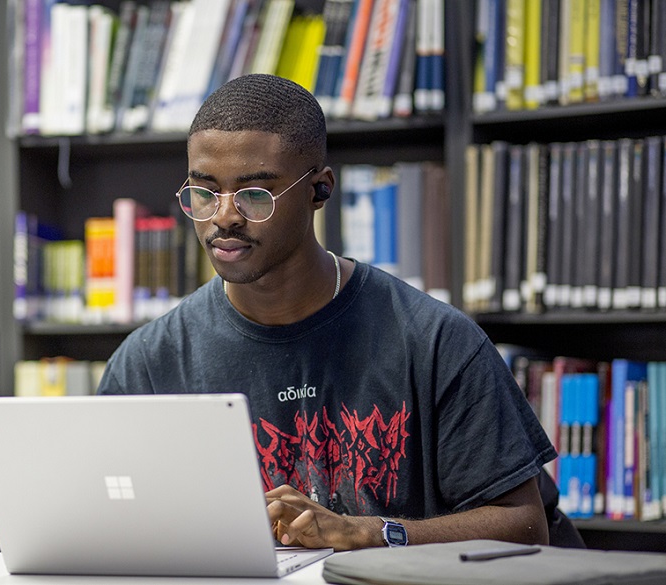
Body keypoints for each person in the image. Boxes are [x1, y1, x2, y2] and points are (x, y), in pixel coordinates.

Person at [96, 74, 556, 551]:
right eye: (204, 193)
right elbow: (103, 517)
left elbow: (523, 525)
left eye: (255, 194)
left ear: (319, 190)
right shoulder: (149, 362)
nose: (224, 216)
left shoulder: (435, 341)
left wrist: (368, 532)